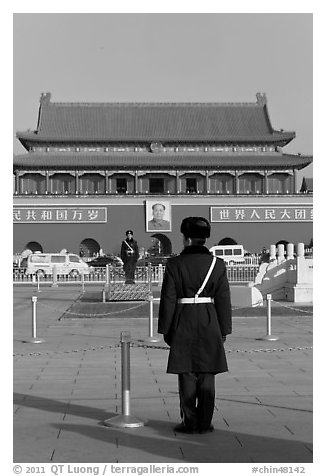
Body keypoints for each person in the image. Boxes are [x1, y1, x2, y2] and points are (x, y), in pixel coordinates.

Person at [158, 216, 232, 434]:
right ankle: (205, 421)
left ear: (186, 238)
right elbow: (224, 299)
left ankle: (189, 421)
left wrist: (165, 329)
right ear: (204, 238)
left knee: (187, 372)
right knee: (208, 373)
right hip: (210, 320)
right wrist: (224, 329)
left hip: (184, 319)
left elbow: (168, 299)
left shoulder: (175, 264)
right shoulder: (216, 265)